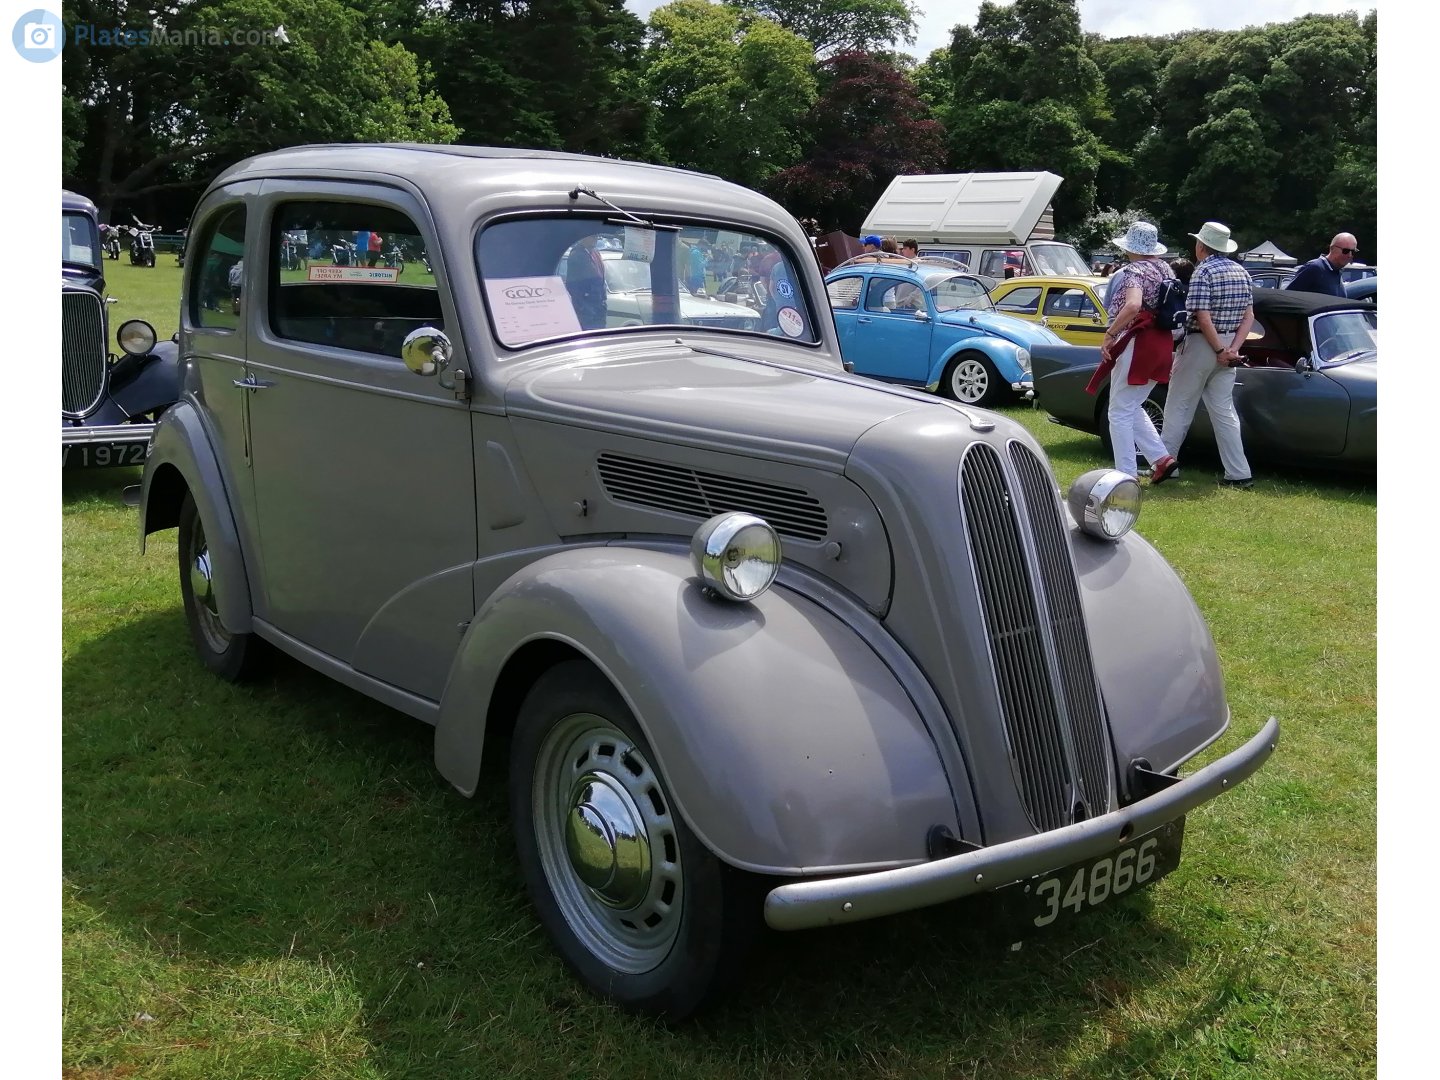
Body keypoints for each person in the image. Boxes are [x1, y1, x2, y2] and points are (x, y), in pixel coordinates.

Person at [1162, 221, 1256, 489]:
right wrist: (1232, 349)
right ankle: (1239, 473)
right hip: (1229, 345)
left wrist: (1218, 349)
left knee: (1179, 405)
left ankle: (1166, 465)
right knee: (1224, 411)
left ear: (1201, 246)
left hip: (1203, 344)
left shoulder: (1203, 272)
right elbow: (1249, 316)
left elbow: (1202, 317)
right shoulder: (1242, 272)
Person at [1085, 221, 1176, 483]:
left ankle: (1126, 474)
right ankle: (1162, 459)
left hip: (1138, 341)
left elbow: (1134, 305)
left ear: (1130, 247)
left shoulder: (1134, 270)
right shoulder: (1165, 268)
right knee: (1129, 405)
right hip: (1161, 340)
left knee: (1118, 412)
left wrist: (1111, 334)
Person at [1285, 232, 1358, 296]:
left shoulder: (1337, 272)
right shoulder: (1315, 268)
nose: (1349, 255)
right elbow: (1289, 297)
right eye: (1346, 251)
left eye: (1353, 251)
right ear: (1332, 248)